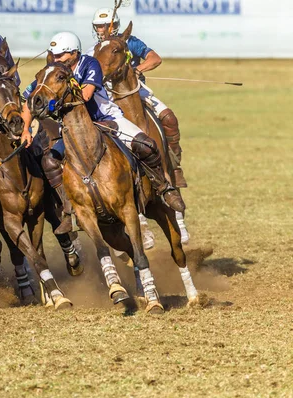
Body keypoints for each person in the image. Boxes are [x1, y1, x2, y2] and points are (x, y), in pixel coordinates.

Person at [21, 32, 185, 234]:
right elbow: (31, 99)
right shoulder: (51, 72)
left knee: (146, 144)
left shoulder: (89, 64)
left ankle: (164, 188)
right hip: (75, 128)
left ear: (74, 53)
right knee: (50, 162)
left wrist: (54, 100)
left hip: (106, 119)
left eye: (61, 55)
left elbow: (86, 95)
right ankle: (69, 210)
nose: (57, 59)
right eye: (54, 56)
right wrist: (25, 129)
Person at [87, 7, 187, 188]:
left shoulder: (130, 43)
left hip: (135, 90)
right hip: (107, 95)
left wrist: (137, 70)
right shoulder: (96, 50)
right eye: (98, 26)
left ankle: (173, 163)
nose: (102, 30)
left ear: (115, 26)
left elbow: (155, 59)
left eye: (104, 26)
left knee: (169, 118)